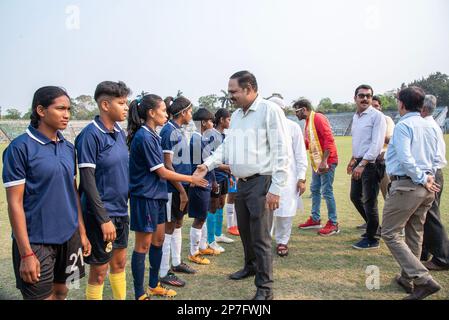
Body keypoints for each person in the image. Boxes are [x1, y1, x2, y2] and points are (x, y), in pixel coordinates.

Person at [196, 71, 290, 300]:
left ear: (249, 89)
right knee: (246, 233)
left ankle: (265, 289)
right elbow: (226, 148)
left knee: (260, 238)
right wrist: (206, 165)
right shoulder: (237, 116)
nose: (230, 96)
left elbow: (282, 151)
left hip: (262, 182)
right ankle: (250, 267)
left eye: (233, 91)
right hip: (242, 184)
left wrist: (276, 188)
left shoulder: (270, 111)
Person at [2, 86, 91, 300]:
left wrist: (82, 232)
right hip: (37, 241)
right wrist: (26, 253)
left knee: (62, 292)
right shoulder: (19, 148)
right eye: (60, 108)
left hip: (70, 238)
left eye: (69, 109)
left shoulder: (69, 148)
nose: (67, 114)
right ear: (41, 110)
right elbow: (14, 203)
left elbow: (72, 192)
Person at [127, 94, 208, 300]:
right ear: (151, 113)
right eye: (163, 110)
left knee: (159, 240)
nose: (166, 113)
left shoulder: (152, 134)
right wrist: (190, 179)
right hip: (145, 198)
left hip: (158, 196)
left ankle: (154, 285)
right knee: (143, 246)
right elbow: (162, 171)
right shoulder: (144, 136)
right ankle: (139, 293)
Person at [382, 86, 442, 300]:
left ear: (402, 103)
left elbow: (406, 158)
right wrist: (428, 177)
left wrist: (420, 177)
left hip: (408, 185)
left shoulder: (404, 125)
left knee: (389, 232)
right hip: (426, 185)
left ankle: (422, 279)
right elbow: (437, 156)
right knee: (415, 232)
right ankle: (408, 279)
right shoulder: (430, 125)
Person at [75, 81, 131, 300]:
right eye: (121, 103)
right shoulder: (90, 135)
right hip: (101, 216)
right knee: (99, 272)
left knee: (119, 263)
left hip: (120, 211)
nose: (126, 107)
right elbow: (87, 182)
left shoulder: (119, 132)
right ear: (105, 105)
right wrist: (103, 218)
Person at [159, 96, 197, 287]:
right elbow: (167, 165)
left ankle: (176, 262)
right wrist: (182, 191)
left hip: (181, 187)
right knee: (168, 227)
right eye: (190, 111)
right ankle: (164, 271)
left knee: (178, 223)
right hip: (172, 189)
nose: (191, 114)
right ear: (183, 112)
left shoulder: (178, 130)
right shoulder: (168, 131)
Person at [267, 96, 307, 256]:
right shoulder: (263, 128)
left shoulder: (293, 127)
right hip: (266, 176)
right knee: (266, 211)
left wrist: (301, 178)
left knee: (285, 211)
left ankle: (282, 241)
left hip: (288, 178)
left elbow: (300, 155)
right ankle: (264, 241)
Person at [347, 85, 386, 250]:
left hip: (370, 164)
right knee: (355, 197)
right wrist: (354, 160)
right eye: (361, 95)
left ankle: (372, 239)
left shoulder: (377, 116)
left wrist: (362, 164)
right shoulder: (356, 117)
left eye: (368, 96)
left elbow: (377, 144)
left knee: (370, 201)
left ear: (371, 98)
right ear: (355, 98)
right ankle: (374, 228)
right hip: (359, 161)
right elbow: (359, 142)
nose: (365, 99)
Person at [295, 99, 340, 236]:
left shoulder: (318, 118)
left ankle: (333, 223)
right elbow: (310, 143)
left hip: (326, 162)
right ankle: (315, 219)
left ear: (303, 109)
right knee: (315, 189)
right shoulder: (308, 122)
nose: (295, 114)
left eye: (297, 111)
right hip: (317, 162)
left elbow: (329, 139)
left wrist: (324, 161)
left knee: (326, 191)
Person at [188, 108, 221, 265]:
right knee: (199, 218)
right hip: (199, 184)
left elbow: (209, 163)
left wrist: (213, 181)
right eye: (209, 121)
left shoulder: (202, 139)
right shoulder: (195, 141)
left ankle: (202, 245)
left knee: (204, 215)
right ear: (203, 122)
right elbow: (199, 166)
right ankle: (193, 252)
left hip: (207, 182)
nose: (212, 124)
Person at [419, 94, 449, 271]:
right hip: (432, 172)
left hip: (430, 174)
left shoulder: (426, 126)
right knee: (425, 214)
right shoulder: (430, 125)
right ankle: (425, 250)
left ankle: (443, 258)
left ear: (422, 108)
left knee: (431, 215)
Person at [206, 108, 235, 253]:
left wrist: (229, 175)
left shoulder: (224, 136)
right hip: (215, 177)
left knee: (221, 204)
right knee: (212, 205)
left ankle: (217, 234)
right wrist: (229, 168)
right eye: (229, 119)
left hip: (224, 176)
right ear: (222, 120)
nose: (230, 122)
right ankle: (210, 239)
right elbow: (210, 160)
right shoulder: (212, 135)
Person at [372, 95, 395, 199]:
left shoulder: (387, 120)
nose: (374, 108)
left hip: (383, 161)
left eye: (376, 106)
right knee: (368, 197)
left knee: (387, 194)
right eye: (371, 106)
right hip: (368, 162)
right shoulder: (365, 121)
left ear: (380, 107)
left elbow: (389, 139)